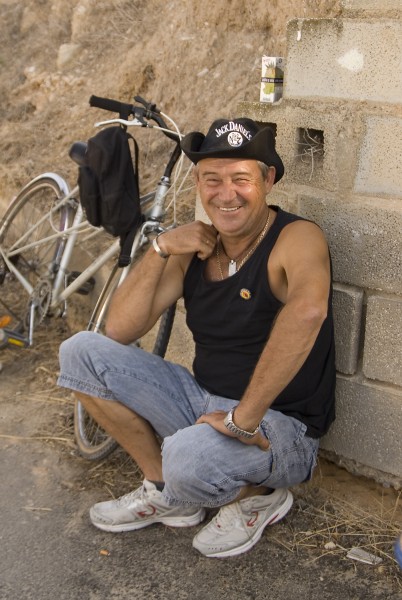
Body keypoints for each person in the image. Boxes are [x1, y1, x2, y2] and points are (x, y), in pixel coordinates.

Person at [58, 117, 336, 558]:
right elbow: (120, 329)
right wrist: (161, 247)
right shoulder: (195, 248)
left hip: (278, 428)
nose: (226, 194)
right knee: (80, 353)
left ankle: (259, 497)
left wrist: (243, 419)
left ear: (268, 180)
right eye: (213, 180)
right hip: (204, 405)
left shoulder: (296, 237)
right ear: (198, 184)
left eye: (241, 179)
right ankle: (165, 491)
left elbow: (308, 311)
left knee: (187, 458)